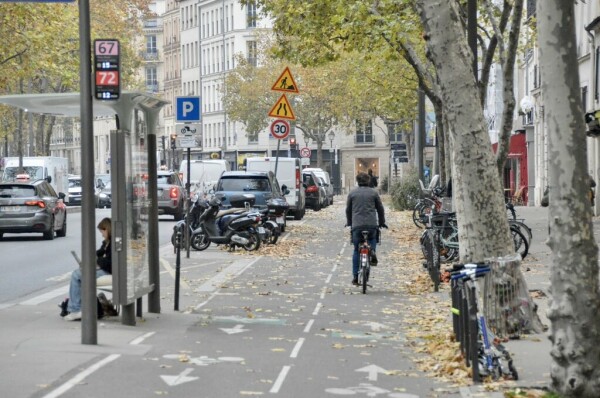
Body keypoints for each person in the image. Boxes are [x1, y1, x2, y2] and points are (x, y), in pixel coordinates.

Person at [63, 217, 112, 321]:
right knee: (79, 273)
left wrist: (97, 262)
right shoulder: (107, 243)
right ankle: (77, 306)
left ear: (107, 229)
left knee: (77, 275)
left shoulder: (114, 244)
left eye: (102, 232)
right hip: (105, 269)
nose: (102, 235)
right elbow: (98, 253)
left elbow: (109, 263)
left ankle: (76, 310)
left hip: (109, 271)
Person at [346, 172, 386, 285]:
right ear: (368, 181)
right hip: (372, 225)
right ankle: (372, 250)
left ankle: (355, 276)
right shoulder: (374, 193)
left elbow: (348, 210)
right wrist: (382, 222)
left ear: (357, 181)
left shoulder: (352, 193)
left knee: (355, 250)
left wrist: (349, 222)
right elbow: (380, 209)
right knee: (372, 239)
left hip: (357, 226)